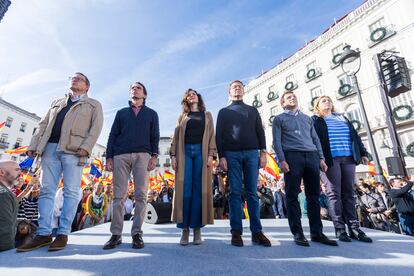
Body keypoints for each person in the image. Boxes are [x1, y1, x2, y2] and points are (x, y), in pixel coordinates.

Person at [17, 72, 103, 252]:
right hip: (49, 149)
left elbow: (95, 129)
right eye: (72, 77)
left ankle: (63, 233)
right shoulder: (57, 102)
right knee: (47, 190)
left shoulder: (93, 105)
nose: (74, 79)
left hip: (74, 150)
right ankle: (44, 234)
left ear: (87, 87)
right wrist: (34, 144)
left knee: (71, 192)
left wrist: (86, 148)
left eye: (79, 78)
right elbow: (42, 124)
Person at [272, 91, 337, 247]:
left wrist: (321, 158)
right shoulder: (279, 119)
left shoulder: (307, 118)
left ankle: (317, 233)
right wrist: (282, 160)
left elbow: (315, 139)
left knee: (314, 195)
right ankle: (298, 232)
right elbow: (277, 141)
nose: (292, 98)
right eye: (288, 97)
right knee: (292, 195)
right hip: (292, 157)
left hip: (312, 156)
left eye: (294, 96)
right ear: (282, 103)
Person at [104, 81, 159, 250]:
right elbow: (113, 134)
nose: (134, 90)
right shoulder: (121, 113)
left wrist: (154, 156)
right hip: (121, 155)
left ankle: (136, 233)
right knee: (118, 196)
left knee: (141, 195)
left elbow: (154, 135)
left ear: (144, 94)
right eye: (132, 88)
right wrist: (109, 157)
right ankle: (116, 235)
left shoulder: (152, 114)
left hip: (143, 155)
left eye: (138, 88)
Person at [216, 80, 271, 247]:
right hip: (231, 155)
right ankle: (236, 232)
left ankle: (257, 232)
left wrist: (263, 153)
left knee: (252, 193)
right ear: (229, 92)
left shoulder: (252, 110)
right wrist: (222, 157)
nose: (237, 88)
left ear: (243, 90)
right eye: (234, 87)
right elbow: (219, 136)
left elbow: (260, 132)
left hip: (252, 153)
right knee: (234, 193)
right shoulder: (224, 112)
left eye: (240, 86)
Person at [312, 96, 372, 242]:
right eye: (323, 100)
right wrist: (319, 159)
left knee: (349, 193)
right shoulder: (315, 120)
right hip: (329, 160)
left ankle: (354, 228)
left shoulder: (343, 118)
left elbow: (355, 137)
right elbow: (314, 140)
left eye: (329, 100)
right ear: (317, 106)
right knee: (333, 193)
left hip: (349, 158)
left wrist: (363, 153)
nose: (328, 102)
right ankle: (339, 228)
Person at [170, 89, 216, 246]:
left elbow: (211, 136)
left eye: (194, 93)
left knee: (200, 190)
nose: (191, 95)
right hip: (184, 153)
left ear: (198, 97)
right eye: (188, 95)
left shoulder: (207, 115)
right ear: (186, 100)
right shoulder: (182, 117)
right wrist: (173, 156)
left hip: (202, 153)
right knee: (185, 189)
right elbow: (175, 138)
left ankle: (197, 229)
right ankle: (184, 229)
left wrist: (211, 154)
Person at [0, 161, 20, 252]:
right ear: (2, 172)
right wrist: (7, 253)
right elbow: (4, 227)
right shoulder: (3, 194)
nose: (20, 173)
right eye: (17, 170)